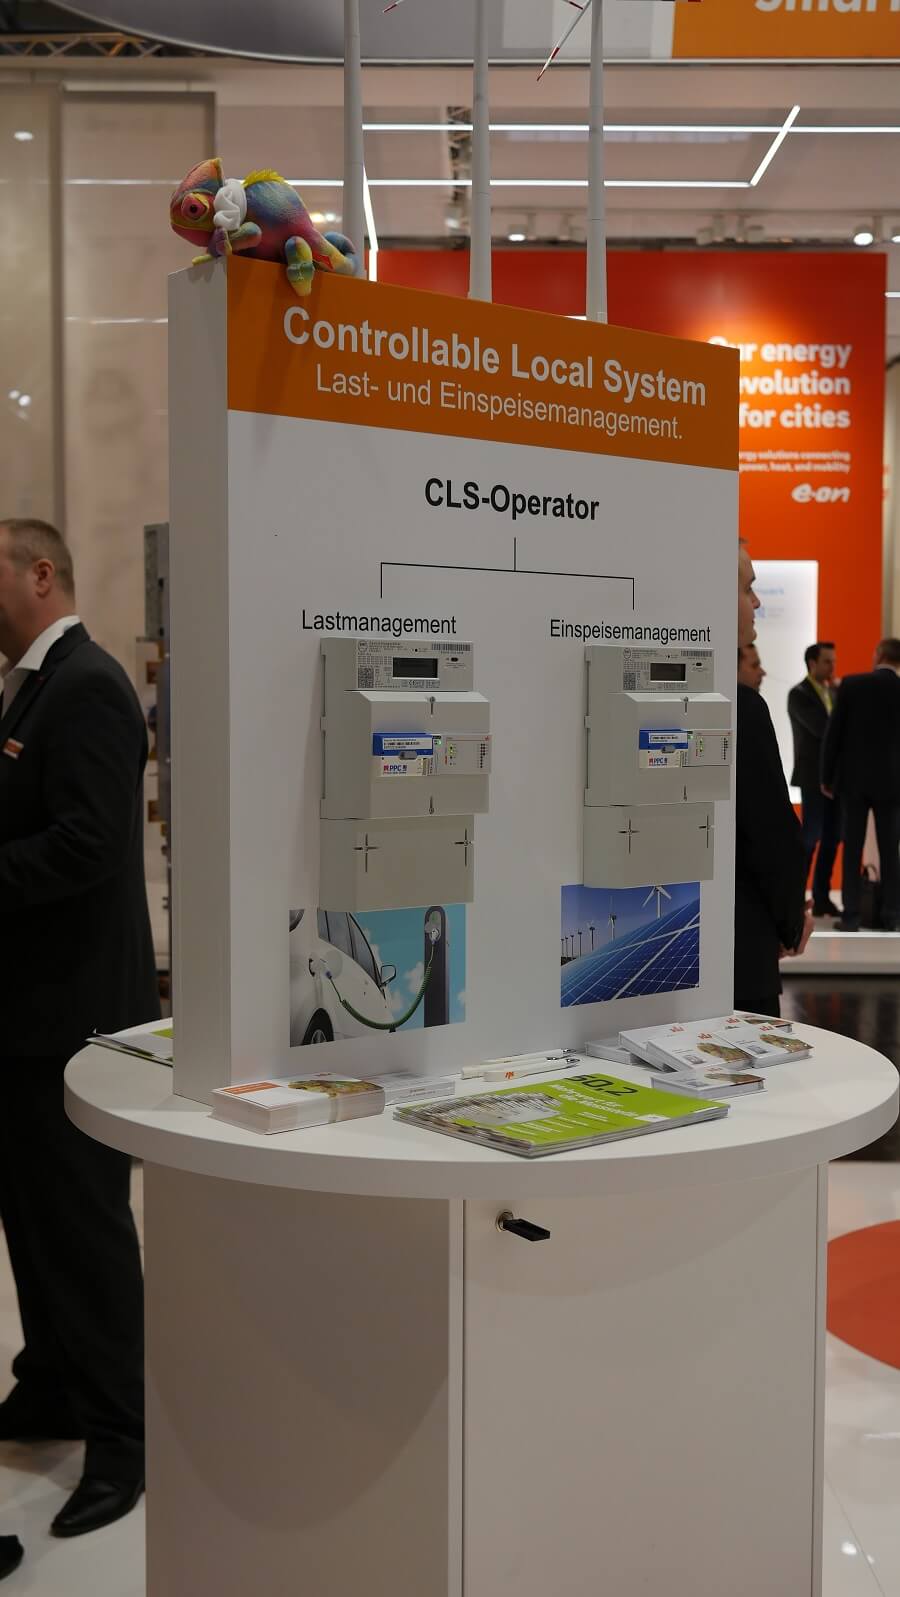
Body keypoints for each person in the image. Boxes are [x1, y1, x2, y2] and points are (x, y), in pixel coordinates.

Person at [0, 518, 158, 1537]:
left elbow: (88, 845)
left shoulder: (90, 685)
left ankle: (123, 1441)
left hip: (72, 1020)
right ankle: (51, 1385)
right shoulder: (31, 686)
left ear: (40, 572)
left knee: (84, 1233)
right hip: (25, 1015)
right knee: (33, 1221)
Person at [734, 544, 810, 1016]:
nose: (757, 601)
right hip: (743, 950)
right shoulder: (743, 709)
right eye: (748, 588)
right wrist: (790, 921)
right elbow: (771, 836)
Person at [822, 638, 900, 933]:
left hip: (853, 780)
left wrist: (826, 776)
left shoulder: (852, 685)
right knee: (890, 849)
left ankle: (852, 915)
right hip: (892, 782)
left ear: (878, 654)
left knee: (852, 847)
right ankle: (892, 915)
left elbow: (834, 734)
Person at [788, 642, 840, 917]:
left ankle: (822, 897)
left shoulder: (834, 692)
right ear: (812, 663)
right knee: (809, 838)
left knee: (832, 838)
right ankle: (796, 897)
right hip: (812, 778)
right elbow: (823, 729)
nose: (833, 667)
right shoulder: (799, 694)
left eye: (833, 661)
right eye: (827, 661)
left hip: (834, 778)